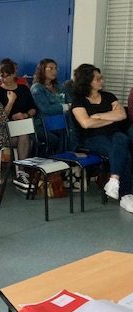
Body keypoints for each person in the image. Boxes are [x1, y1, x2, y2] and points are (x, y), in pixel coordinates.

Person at [71, 64, 133, 208]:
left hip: (114, 135)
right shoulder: (79, 101)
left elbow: (122, 115)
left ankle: (114, 180)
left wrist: (98, 116)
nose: (102, 81)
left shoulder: (108, 96)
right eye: (98, 79)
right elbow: (86, 124)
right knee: (125, 154)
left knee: (122, 138)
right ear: (88, 82)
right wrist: (112, 117)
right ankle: (126, 196)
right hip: (91, 139)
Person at [0, 61, 37, 187]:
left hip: (23, 126)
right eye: (1, 76)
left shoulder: (23, 89)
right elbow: (0, 117)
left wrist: (25, 115)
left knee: (24, 135)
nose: (3, 79)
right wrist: (11, 102)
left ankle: (21, 172)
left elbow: (33, 108)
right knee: (25, 138)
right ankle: (22, 171)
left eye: (7, 75)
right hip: (5, 129)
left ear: (14, 74)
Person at [31, 58, 72, 152]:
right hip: (43, 123)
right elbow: (46, 109)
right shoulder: (37, 88)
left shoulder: (59, 86)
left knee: (71, 132)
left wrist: (68, 106)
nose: (54, 71)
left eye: (56, 68)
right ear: (42, 70)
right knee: (60, 136)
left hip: (61, 120)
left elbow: (70, 101)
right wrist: (65, 107)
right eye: (51, 68)